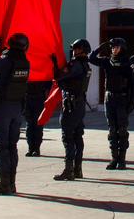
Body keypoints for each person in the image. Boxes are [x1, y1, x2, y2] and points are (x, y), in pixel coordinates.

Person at [0, 34, 30, 196]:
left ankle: (4, 183)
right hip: (16, 107)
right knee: (12, 146)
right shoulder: (25, 62)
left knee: (1, 146)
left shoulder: (4, 60)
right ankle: (12, 182)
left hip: (2, 107)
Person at [89, 37, 134, 170]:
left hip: (122, 98)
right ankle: (114, 158)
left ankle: (122, 159)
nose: (114, 49)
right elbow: (91, 59)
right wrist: (100, 47)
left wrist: (132, 102)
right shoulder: (107, 61)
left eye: (116, 47)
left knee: (122, 129)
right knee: (112, 129)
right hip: (109, 98)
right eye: (112, 47)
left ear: (122, 48)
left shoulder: (127, 63)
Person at [51, 39, 91, 181]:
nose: (74, 51)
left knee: (68, 137)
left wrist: (54, 63)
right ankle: (77, 169)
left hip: (71, 104)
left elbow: (60, 77)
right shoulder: (86, 65)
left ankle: (69, 170)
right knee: (77, 136)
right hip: (79, 104)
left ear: (83, 50)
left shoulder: (76, 65)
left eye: (76, 49)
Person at [23, 69, 51, 155]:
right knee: (29, 124)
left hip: (39, 98)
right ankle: (30, 148)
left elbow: (49, 85)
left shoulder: (42, 70)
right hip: (28, 99)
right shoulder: (26, 70)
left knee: (38, 124)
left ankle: (36, 148)